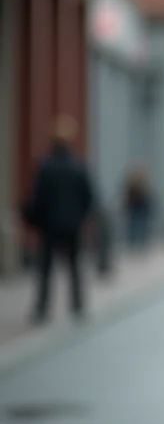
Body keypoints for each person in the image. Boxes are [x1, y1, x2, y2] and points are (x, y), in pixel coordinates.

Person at [25, 116, 94, 323]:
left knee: (45, 268)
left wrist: (36, 220)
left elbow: (38, 197)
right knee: (74, 265)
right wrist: (80, 217)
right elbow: (88, 197)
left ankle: (42, 308)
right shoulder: (79, 167)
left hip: (49, 224)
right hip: (72, 224)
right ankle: (77, 305)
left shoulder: (46, 167)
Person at [124, 167, 153, 250]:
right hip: (135, 210)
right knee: (135, 227)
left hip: (141, 210)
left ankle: (141, 243)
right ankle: (134, 243)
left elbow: (147, 199)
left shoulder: (144, 187)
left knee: (141, 227)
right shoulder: (132, 187)